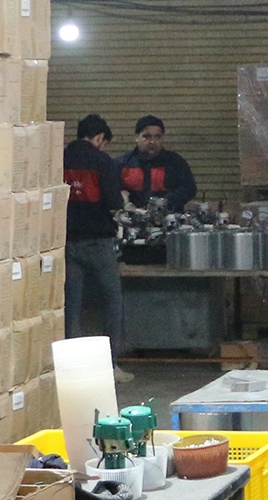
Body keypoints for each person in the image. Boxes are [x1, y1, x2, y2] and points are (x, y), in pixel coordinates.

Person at [63, 113, 133, 383]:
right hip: (98, 243)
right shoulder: (102, 161)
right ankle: (111, 366)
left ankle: (71, 369)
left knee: (71, 305)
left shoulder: (61, 158)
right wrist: (122, 198)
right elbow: (114, 201)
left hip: (67, 242)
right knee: (111, 302)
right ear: (99, 138)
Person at [116, 115, 197, 213]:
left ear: (162, 138)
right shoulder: (122, 164)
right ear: (137, 137)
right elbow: (110, 190)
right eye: (147, 136)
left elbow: (189, 188)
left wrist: (166, 202)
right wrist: (125, 202)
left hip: (167, 218)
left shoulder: (175, 162)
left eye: (157, 137)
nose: (152, 142)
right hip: (131, 217)